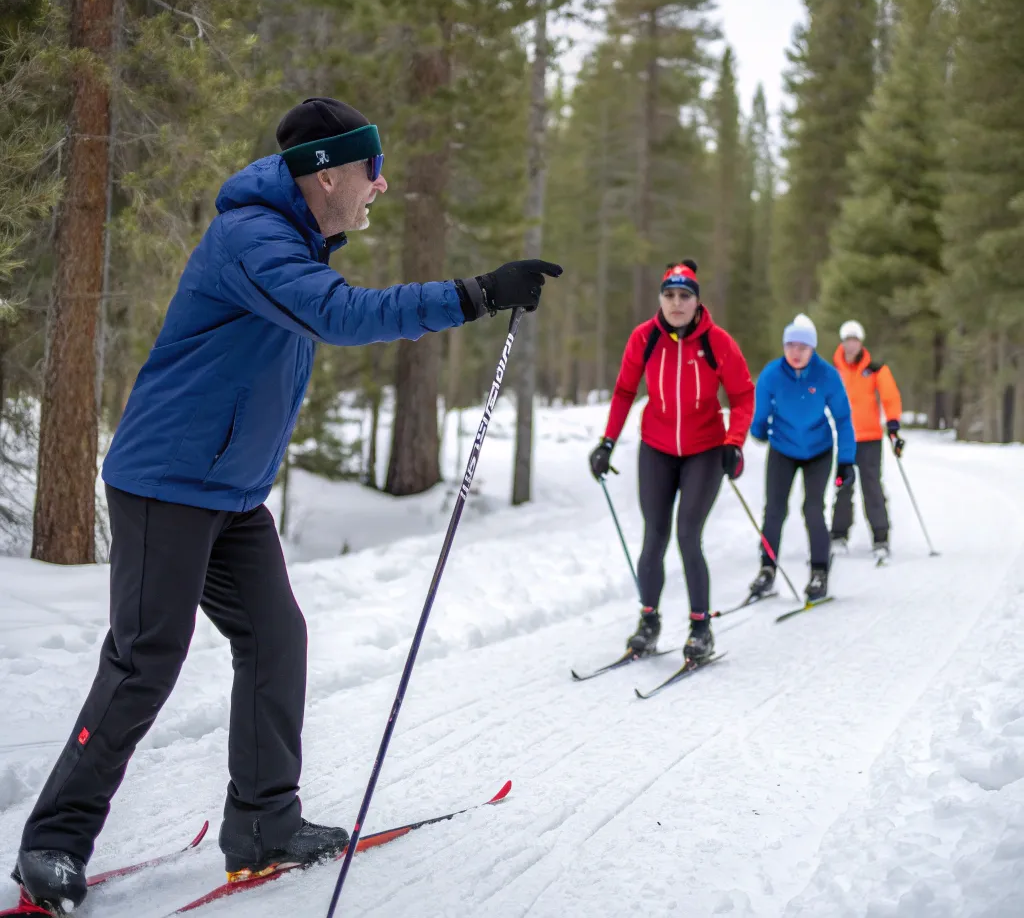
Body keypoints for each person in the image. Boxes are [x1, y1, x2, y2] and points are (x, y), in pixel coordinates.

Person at [12, 97, 562, 913]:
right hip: (166, 482)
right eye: (371, 171)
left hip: (227, 491)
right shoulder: (254, 239)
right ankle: (51, 844)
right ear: (328, 174)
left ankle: (266, 824)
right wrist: (474, 295)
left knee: (275, 637)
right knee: (145, 659)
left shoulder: (293, 235)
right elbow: (342, 315)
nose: (381, 185)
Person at [588, 260, 754, 663]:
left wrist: (734, 442)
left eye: (684, 296)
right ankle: (649, 622)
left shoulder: (717, 342)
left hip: (705, 449)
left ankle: (701, 627)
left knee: (687, 535)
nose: (676, 303)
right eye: (669, 295)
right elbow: (625, 391)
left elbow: (743, 395)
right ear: (660, 299)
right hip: (657, 449)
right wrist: (607, 441)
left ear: (697, 301)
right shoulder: (644, 339)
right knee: (654, 537)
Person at [747, 314, 856, 604]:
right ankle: (767, 569)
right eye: (791, 346)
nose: (796, 353)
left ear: (812, 349)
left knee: (812, 510)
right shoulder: (771, 374)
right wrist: (757, 430)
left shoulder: (827, 375)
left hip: (818, 450)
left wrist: (847, 460)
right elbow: (760, 411)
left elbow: (844, 419)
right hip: (782, 448)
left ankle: (819, 571)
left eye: (802, 347)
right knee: (774, 510)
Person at [829, 319, 904, 559]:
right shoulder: (832, 370)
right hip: (845, 439)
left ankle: (880, 537)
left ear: (860, 343)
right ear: (842, 343)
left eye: (855, 341)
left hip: (870, 437)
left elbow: (890, 395)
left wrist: (892, 423)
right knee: (843, 485)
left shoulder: (874, 368)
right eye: (847, 341)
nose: (851, 346)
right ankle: (839, 535)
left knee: (872, 487)